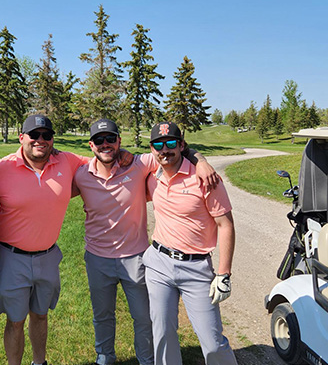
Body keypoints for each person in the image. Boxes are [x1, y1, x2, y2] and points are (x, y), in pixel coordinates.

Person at [72, 119, 219, 365]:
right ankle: (105, 358)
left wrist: (201, 161)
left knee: (143, 317)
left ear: (120, 141)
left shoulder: (140, 164)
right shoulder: (81, 175)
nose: (105, 144)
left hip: (136, 257)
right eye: (99, 140)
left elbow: (173, 150)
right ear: (91, 145)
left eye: (111, 139)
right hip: (97, 258)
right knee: (102, 315)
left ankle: (147, 360)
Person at [0, 114, 89, 365]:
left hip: (48, 256)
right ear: (21, 137)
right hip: (11, 257)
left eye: (46, 135)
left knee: (41, 315)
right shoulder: (0, 168)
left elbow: (103, 160)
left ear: (53, 139)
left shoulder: (67, 161)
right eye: (34, 135)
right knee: (15, 320)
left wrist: (195, 158)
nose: (40, 140)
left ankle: (39, 362)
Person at [144, 121, 237, 365]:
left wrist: (224, 274)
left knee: (212, 341)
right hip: (158, 264)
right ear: (152, 149)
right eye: (158, 145)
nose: (165, 150)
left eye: (171, 143)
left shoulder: (205, 178)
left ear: (182, 145)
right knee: (162, 333)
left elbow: (225, 225)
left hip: (196, 268)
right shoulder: (152, 174)